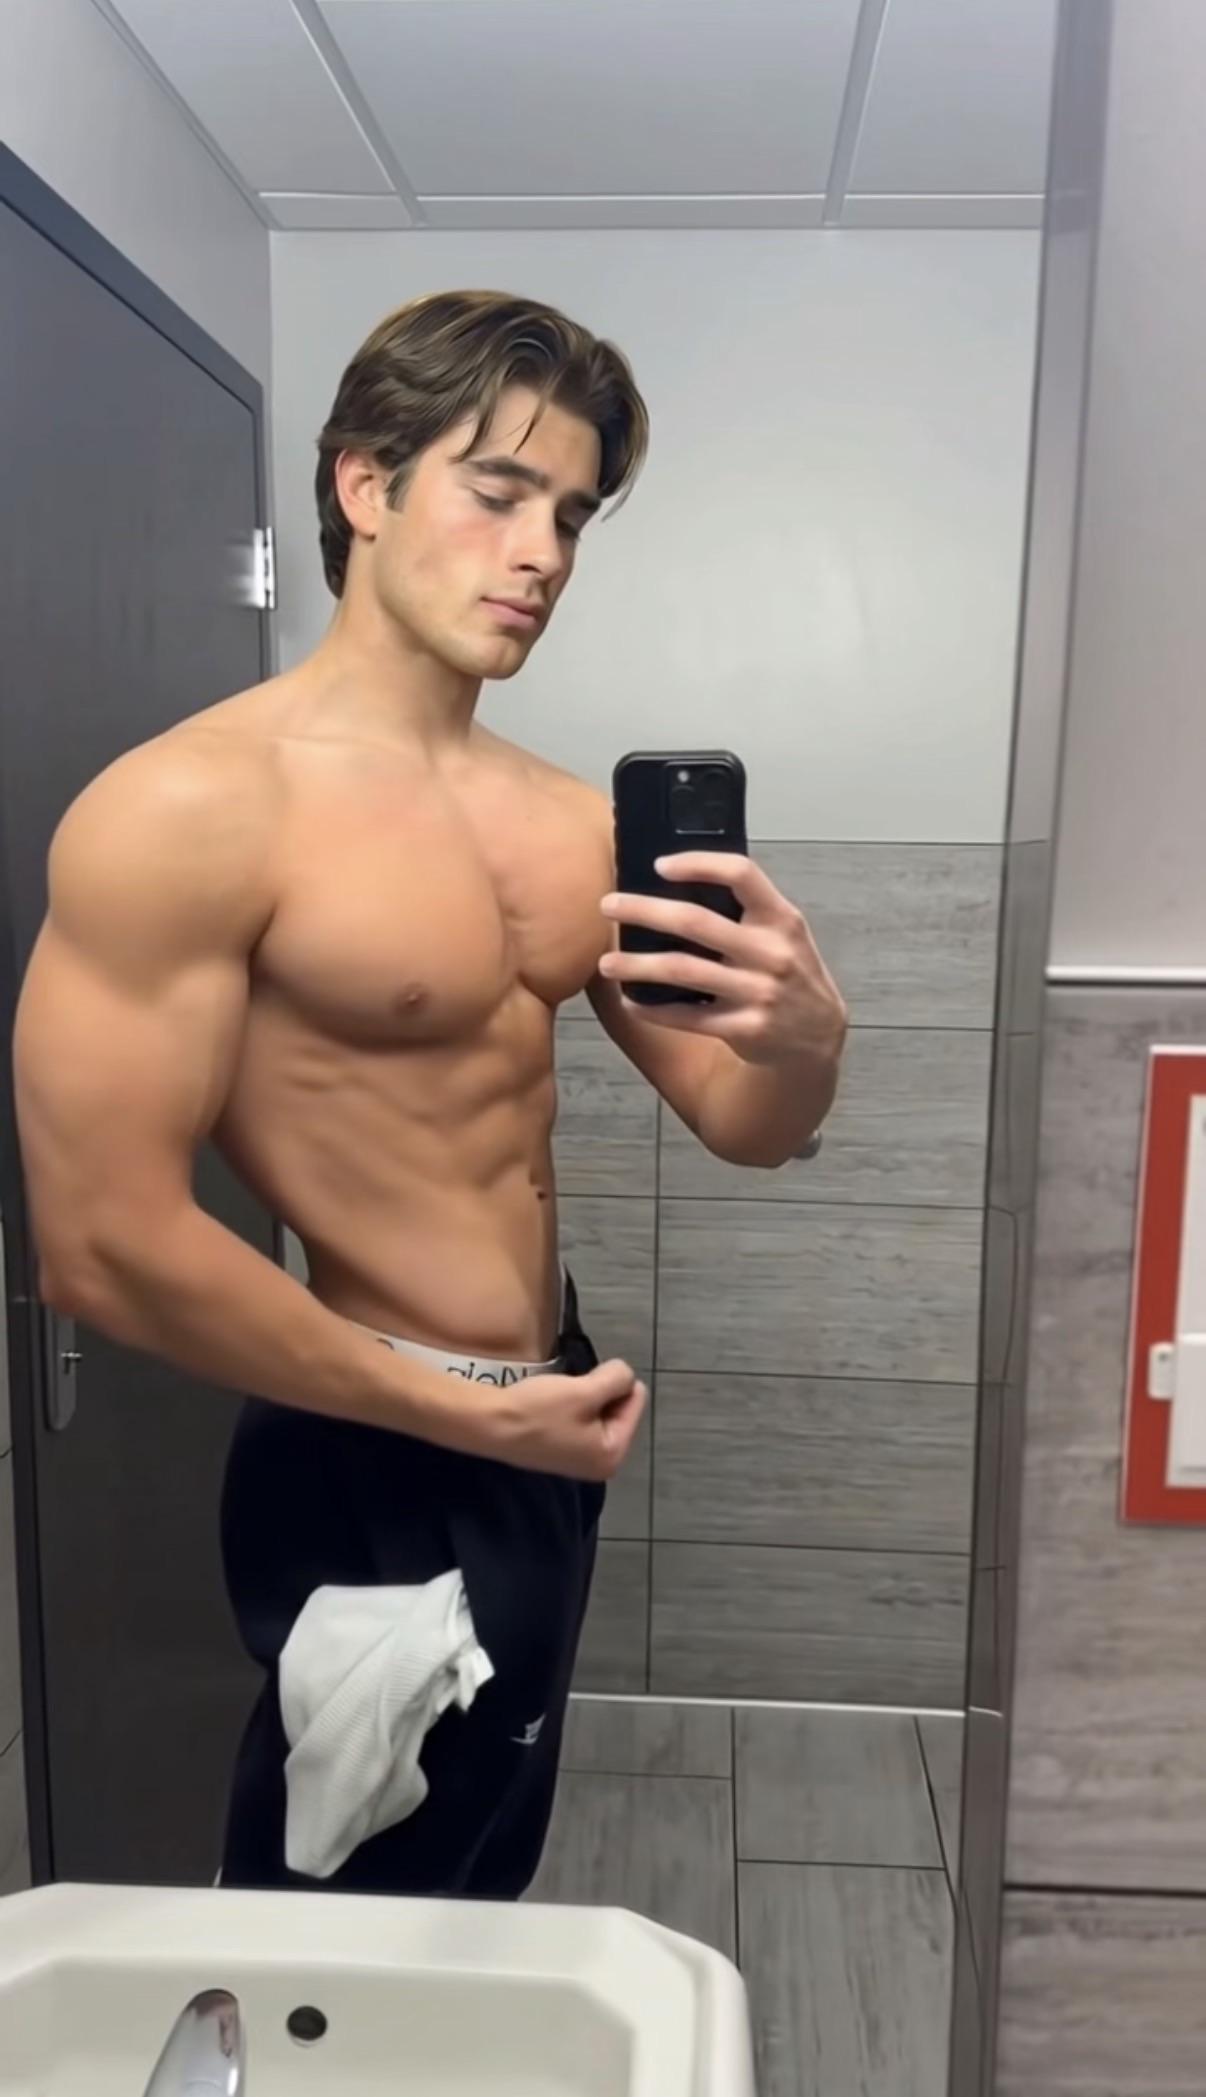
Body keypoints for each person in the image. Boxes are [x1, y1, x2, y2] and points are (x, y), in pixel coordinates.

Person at [13, 289, 847, 1897]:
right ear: (366, 485)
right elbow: (99, 1247)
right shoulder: (188, 809)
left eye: (571, 516)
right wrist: (466, 1412)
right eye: (497, 491)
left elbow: (746, 1127)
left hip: (541, 1406)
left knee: (477, 1863)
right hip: (375, 1434)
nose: (541, 555)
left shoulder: (566, 823)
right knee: (333, 1900)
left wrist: (806, 1037)